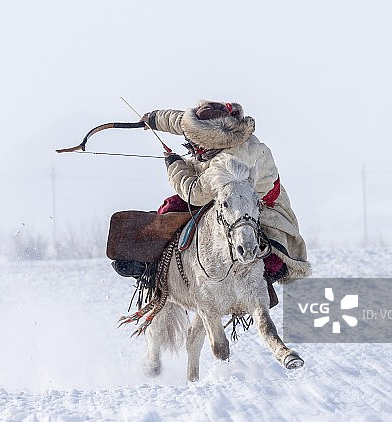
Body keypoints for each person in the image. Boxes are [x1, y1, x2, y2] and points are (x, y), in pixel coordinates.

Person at [112, 100, 310, 285]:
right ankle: (149, 264)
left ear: (210, 141)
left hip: (256, 206)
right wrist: (153, 119)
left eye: (195, 141)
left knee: (272, 263)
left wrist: (174, 165)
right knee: (170, 208)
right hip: (218, 196)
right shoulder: (214, 129)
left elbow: (194, 194)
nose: (191, 144)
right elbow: (179, 121)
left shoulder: (230, 160)